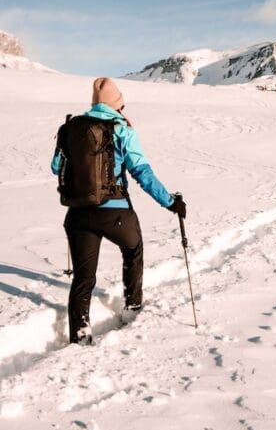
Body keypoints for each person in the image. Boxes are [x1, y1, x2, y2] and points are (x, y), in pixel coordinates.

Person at [52, 77, 186, 345]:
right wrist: (170, 202)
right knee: (133, 250)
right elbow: (142, 173)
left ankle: (80, 334)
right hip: (115, 214)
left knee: (83, 277)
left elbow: (56, 167)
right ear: (117, 105)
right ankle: (132, 306)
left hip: (78, 215)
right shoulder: (122, 130)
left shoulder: (71, 129)